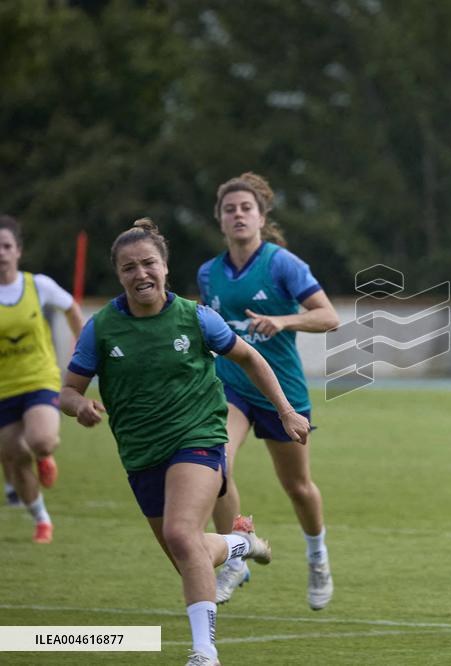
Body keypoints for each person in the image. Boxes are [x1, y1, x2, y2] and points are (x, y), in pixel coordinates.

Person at [60, 219, 311, 666]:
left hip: (198, 438)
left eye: (149, 263)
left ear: (165, 267)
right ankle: (240, 544)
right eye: (129, 267)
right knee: (188, 554)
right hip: (140, 452)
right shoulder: (103, 328)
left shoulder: (195, 317)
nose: (141, 274)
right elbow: (67, 390)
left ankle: (204, 653)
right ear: (118, 274)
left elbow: (250, 358)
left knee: (181, 534)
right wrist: (78, 406)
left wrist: (287, 411)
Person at [197, 172, 340, 610]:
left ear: (261, 216)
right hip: (232, 388)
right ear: (219, 220)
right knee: (216, 469)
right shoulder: (208, 273)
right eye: (229, 209)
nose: (238, 215)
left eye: (246, 208)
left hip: (282, 392)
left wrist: (283, 321)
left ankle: (317, 556)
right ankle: (237, 553)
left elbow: (328, 316)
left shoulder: (282, 264)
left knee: (298, 487)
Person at [0, 214, 83, 542]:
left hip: (39, 380)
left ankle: (45, 455)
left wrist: (82, 352)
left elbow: (72, 309)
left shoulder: (38, 285)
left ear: (18, 250)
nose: (1, 253)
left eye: (6, 246)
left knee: (41, 440)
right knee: (14, 457)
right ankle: (41, 518)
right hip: (3, 389)